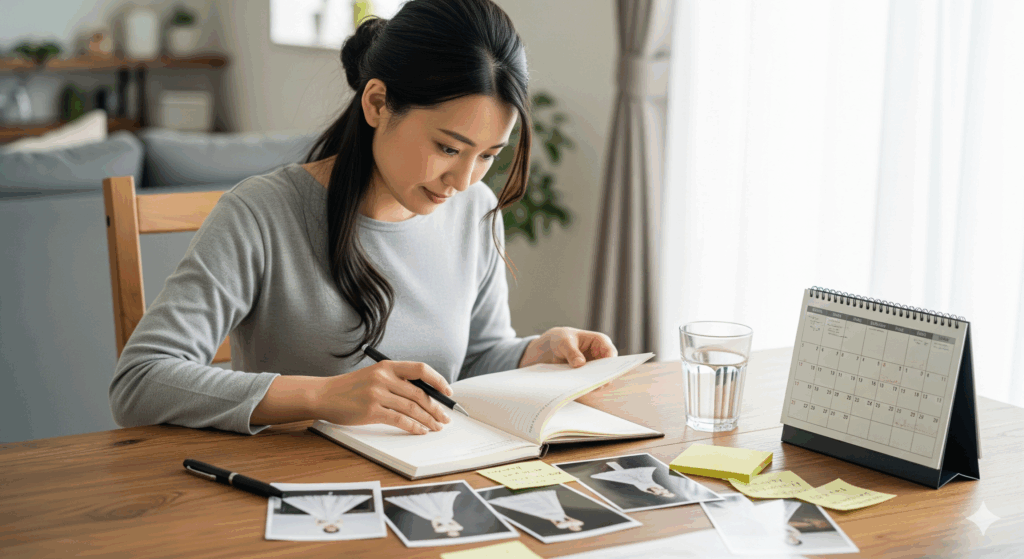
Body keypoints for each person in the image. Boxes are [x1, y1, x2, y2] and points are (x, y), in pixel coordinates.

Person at [108, 0, 618, 437]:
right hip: (295, 498)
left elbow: (474, 359)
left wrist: (535, 352)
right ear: (377, 103)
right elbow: (140, 382)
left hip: (426, 484)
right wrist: (323, 397)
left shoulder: (475, 210)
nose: (463, 181)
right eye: (447, 147)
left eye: (487, 155)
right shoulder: (261, 214)